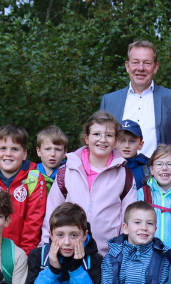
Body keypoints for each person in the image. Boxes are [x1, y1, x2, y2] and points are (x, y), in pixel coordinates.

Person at [41, 110, 137, 256]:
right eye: (96, 134)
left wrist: (125, 252)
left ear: (116, 141)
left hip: (108, 256)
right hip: (67, 253)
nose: (102, 139)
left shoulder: (124, 175)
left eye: (109, 135)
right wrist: (46, 248)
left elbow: (129, 219)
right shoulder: (67, 171)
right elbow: (51, 213)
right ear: (86, 138)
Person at [100, 40, 171, 171]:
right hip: (117, 178)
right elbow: (101, 141)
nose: (140, 68)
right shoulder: (110, 100)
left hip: (162, 181)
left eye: (147, 63)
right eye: (135, 62)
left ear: (155, 67)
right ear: (127, 66)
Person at [0, 124, 47, 254]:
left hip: (21, 253)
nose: (8, 154)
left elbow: (33, 223)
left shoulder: (34, 179)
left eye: (14, 149)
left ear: (24, 154)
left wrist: (24, 255)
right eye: (3, 148)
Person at [137, 144, 171, 251]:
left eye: (170, 164)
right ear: (152, 170)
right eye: (159, 164)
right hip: (146, 256)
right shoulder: (143, 194)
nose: (164, 168)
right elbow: (137, 226)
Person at [35, 126, 68, 192]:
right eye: (47, 149)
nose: (52, 154)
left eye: (58, 150)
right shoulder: (31, 173)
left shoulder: (68, 172)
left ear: (65, 153)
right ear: (39, 152)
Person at [118, 119, 149, 188]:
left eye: (132, 141)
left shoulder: (147, 170)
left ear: (140, 144)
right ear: (114, 142)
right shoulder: (105, 167)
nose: (126, 145)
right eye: (122, 140)